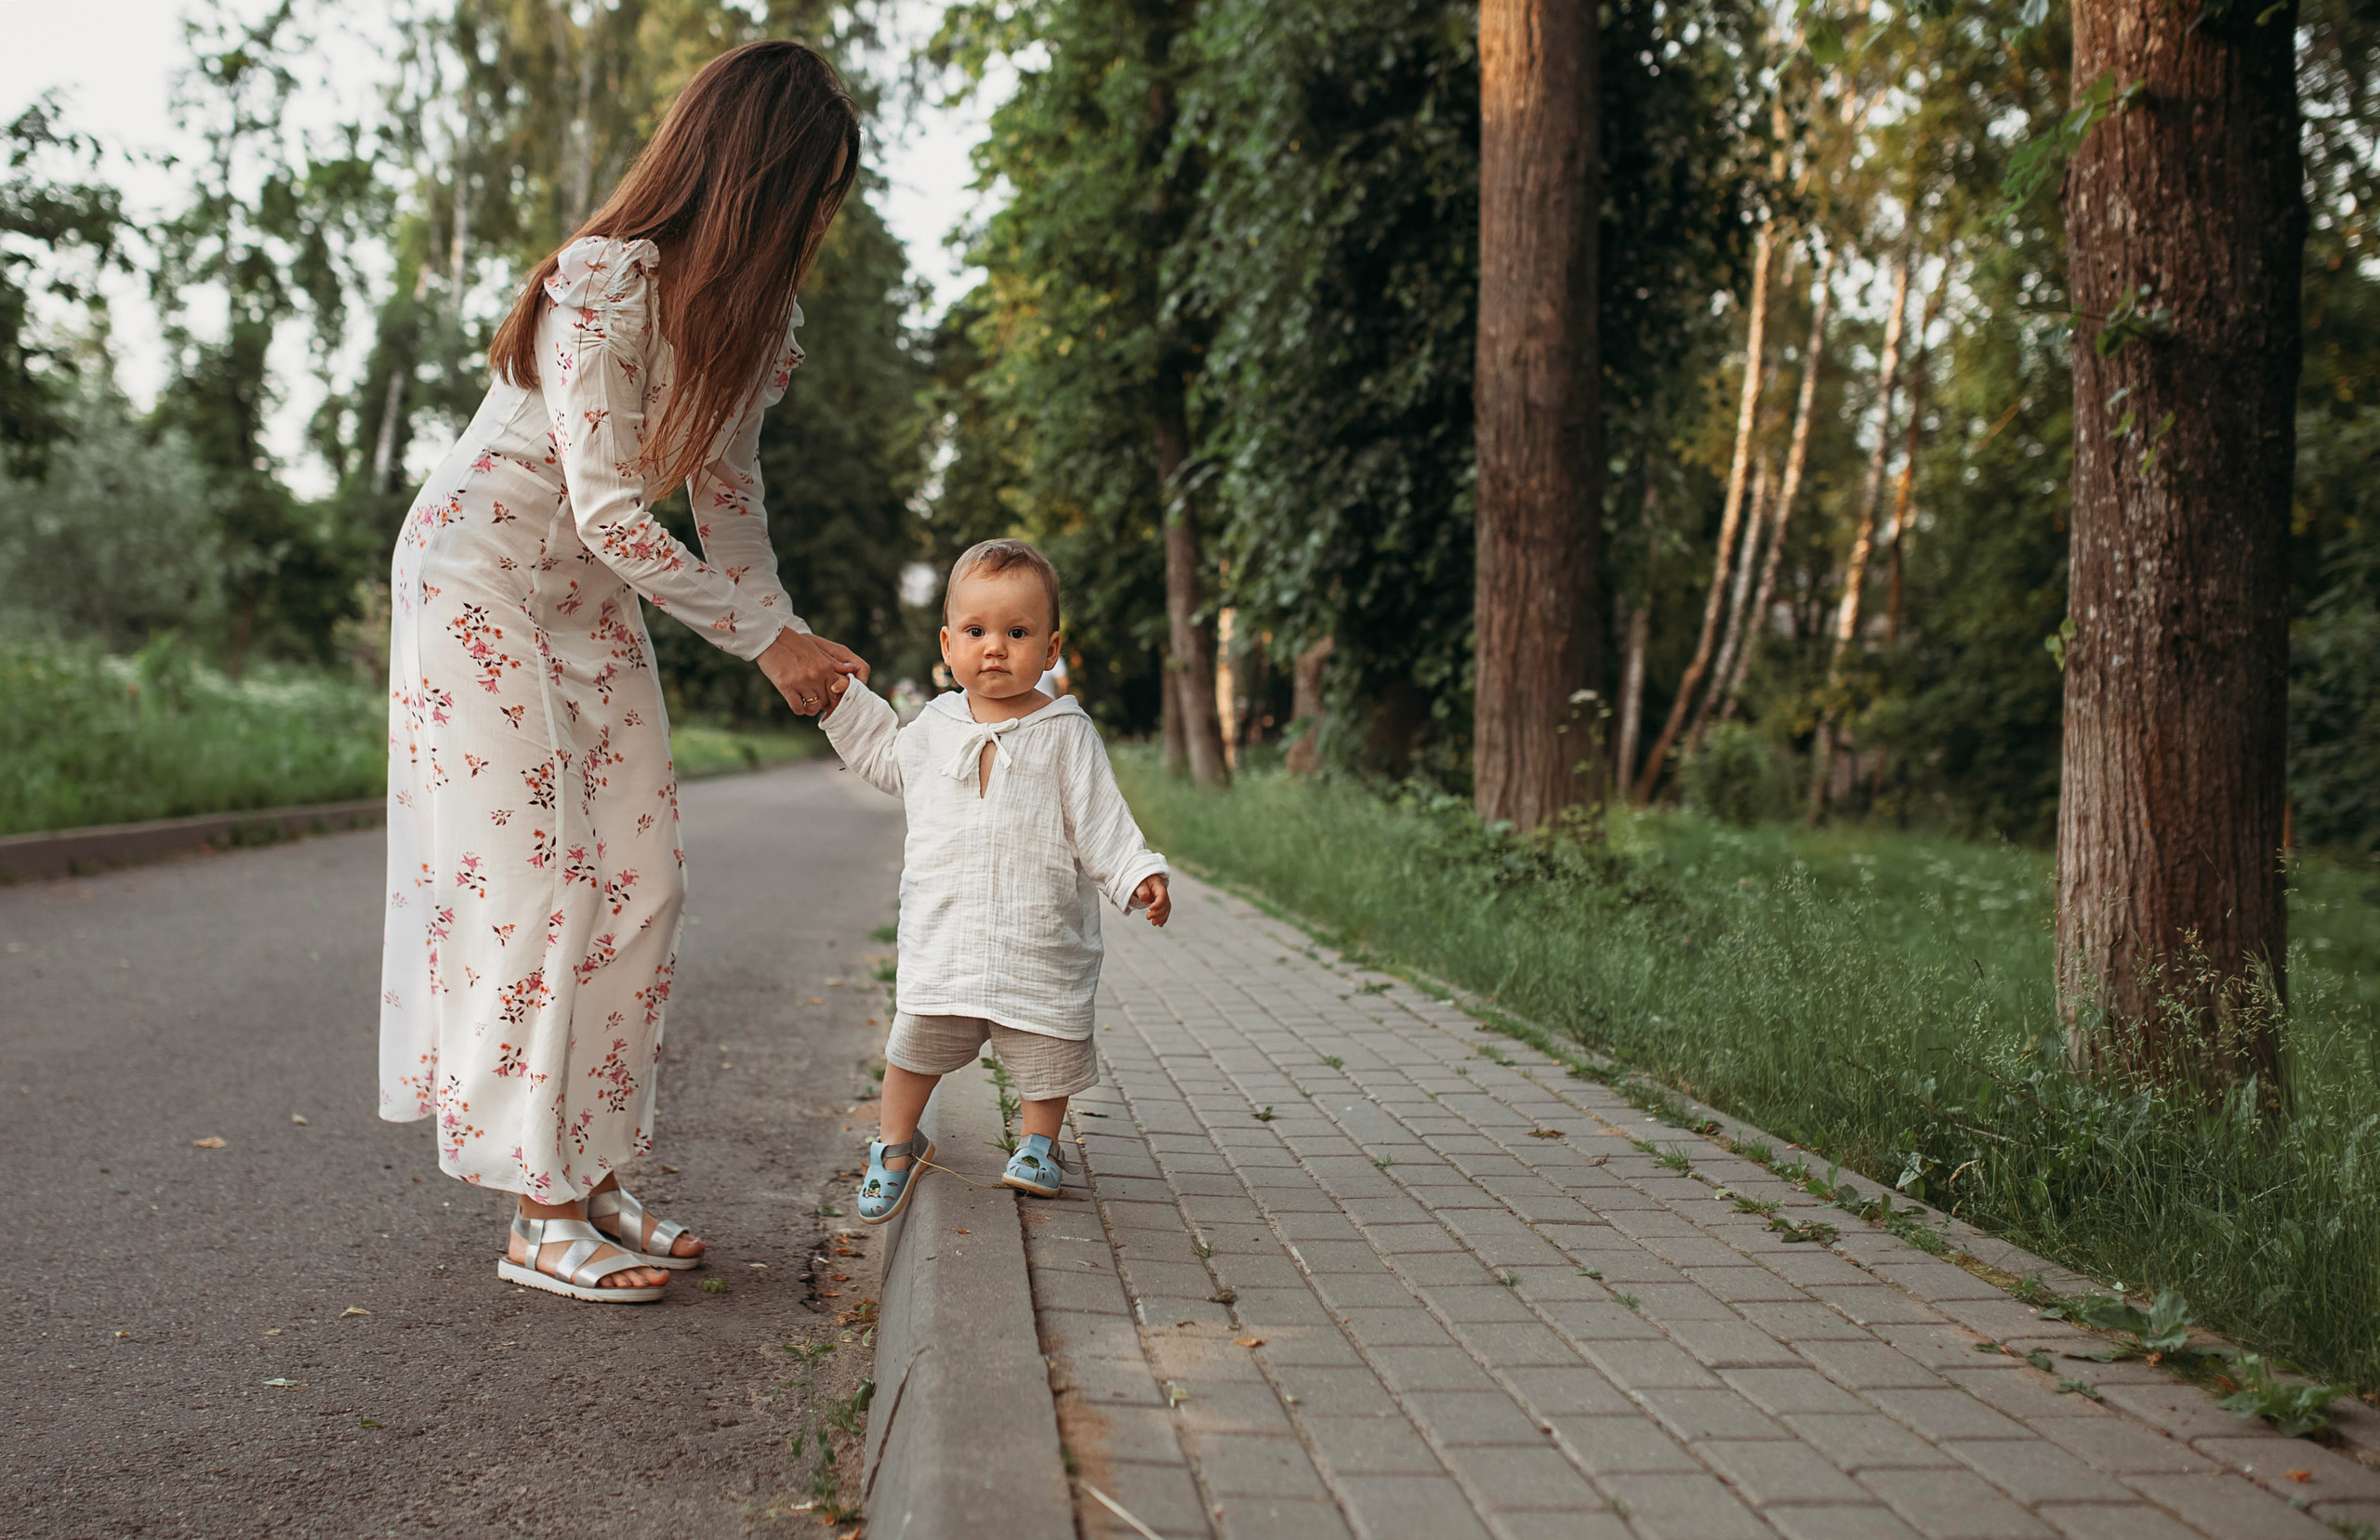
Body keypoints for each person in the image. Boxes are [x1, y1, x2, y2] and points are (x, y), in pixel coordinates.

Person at [378, 41, 869, 1304]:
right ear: (756, 178)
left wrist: (792, 644)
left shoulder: (758, 326)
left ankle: (589, 1169)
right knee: (539, 887)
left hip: (588, 598)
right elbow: (607, 509)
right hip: (478, 577)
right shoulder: (602, 284)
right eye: (816, 190)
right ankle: (537, 1209)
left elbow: (731, 511)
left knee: (641, 884)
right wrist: (765, 638)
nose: (823, 220)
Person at [817, 540, 1170, 1218]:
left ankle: (1039, 1143)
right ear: (948, 643)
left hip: (1034, 932)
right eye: (977, 632)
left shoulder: (1066, 731)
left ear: (1051, 645)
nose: (996, 648)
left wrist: (1137, 872)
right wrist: (843, 703)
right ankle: (894, 1142)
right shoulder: (936, 725)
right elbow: (886, 756)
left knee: (1047, 1045)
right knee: (915, 1043)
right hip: (945, 929)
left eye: (1017, 632)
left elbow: (1102, 820)